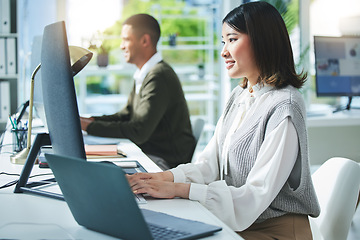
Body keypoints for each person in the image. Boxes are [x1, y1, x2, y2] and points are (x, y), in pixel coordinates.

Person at [127, 2, 320, 239]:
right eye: (223, 41)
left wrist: (177, 189)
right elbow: (210, 165)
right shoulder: (239, 96)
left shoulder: (285, 105)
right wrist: (161, 178)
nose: (224, 51)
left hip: (277, 232)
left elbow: (254, 195)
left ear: (262, 41)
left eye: (232, 39)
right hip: (238, 223)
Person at [81, 14, 196, 170]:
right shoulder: (146, 74)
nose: (121, 46)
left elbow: (138, 131)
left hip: (165, 162)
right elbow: (126, 115)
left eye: (126, 39)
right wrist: (89, 121)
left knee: (99, 170)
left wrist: (88, 127)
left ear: (144, 41)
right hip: (151, 153)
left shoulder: (158, 76)